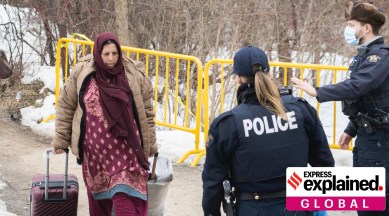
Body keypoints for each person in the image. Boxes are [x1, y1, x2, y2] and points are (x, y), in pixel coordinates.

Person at [202, 46, 335, 216]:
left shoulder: (228, 124)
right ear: (270, 74)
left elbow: (213, 182)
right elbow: (324, 163)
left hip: (252, 208)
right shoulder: (301, 110)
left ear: (238, 80)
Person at [291, 2, 389, 215]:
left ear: (366, 28)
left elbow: (358, 86)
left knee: (377, 204)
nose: (348, 29)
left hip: (380, 142)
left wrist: (317, 91)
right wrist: (351, 129)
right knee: (366, 201)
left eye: (352, 24)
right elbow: (366, 101)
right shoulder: (364, 55)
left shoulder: (379, 57)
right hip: (367, 137)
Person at [51, 32, 157, 216]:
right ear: (97, 53)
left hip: (126, 150)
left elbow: (146, 112)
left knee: (126, 200)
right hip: (95, 155)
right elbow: (67, 106)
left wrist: (151, 144)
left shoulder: (132, 73)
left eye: (115, 54)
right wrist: (61, 140)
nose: (110, 59)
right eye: (106, 54)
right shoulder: (83, 72)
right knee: (99, 206)